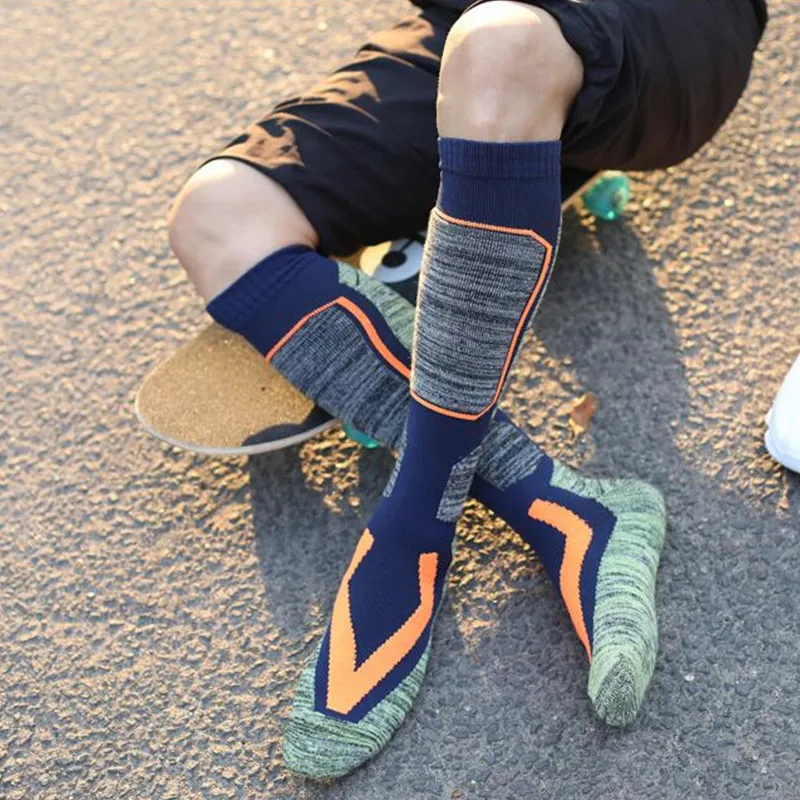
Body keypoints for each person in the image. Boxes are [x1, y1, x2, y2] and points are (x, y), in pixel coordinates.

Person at [167, 0, 767, 779]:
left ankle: (414, 528)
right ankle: (564, 506)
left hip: (659, 25)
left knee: (503, 46)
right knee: (216, 214)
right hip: (459, 27)